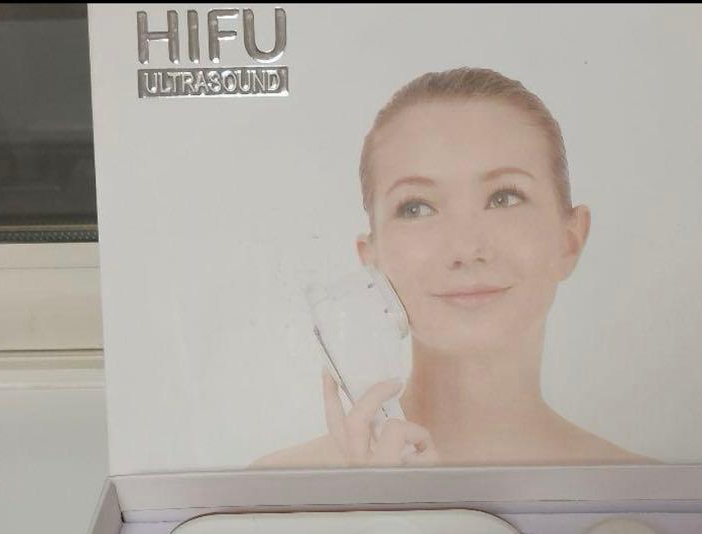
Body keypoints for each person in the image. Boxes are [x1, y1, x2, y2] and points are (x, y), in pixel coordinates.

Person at [254, 67, 639, 468]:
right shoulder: (275, 485)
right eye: (417, 208)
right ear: (372, 259)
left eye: (504, 198)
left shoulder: (644, 489)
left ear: (570, 240)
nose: (465, 249)